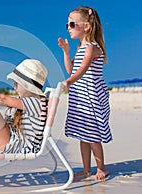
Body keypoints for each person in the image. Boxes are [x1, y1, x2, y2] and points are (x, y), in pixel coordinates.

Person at [58, 6, 112, 181]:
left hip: (91, 97)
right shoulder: (81, 48)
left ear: (86, 26)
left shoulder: (92, 48)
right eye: (67, 24)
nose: (69, 27)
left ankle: (101, 168)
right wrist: (66, 52)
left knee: (93, 135)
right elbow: (71, 69)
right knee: (83, 135)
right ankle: (87, 168)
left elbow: (81, 71)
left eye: (72, 24)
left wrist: (68, 83)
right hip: (80, 97)